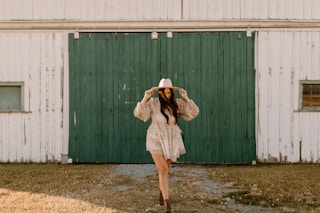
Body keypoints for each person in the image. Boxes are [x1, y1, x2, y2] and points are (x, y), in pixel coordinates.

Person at [134, 78, 199, 213]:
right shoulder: (154, 103)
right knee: (163, 170)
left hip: (171, 140)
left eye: (169, 93)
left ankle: (161, 194)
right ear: (160, 92)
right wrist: (145, 97)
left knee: (165, 170)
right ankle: (167, 204)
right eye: (164, 92)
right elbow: (139, 113)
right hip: (155, 139)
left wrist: (186, 98)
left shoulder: (176, 104)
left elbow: (194, 112)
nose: (167, 95)